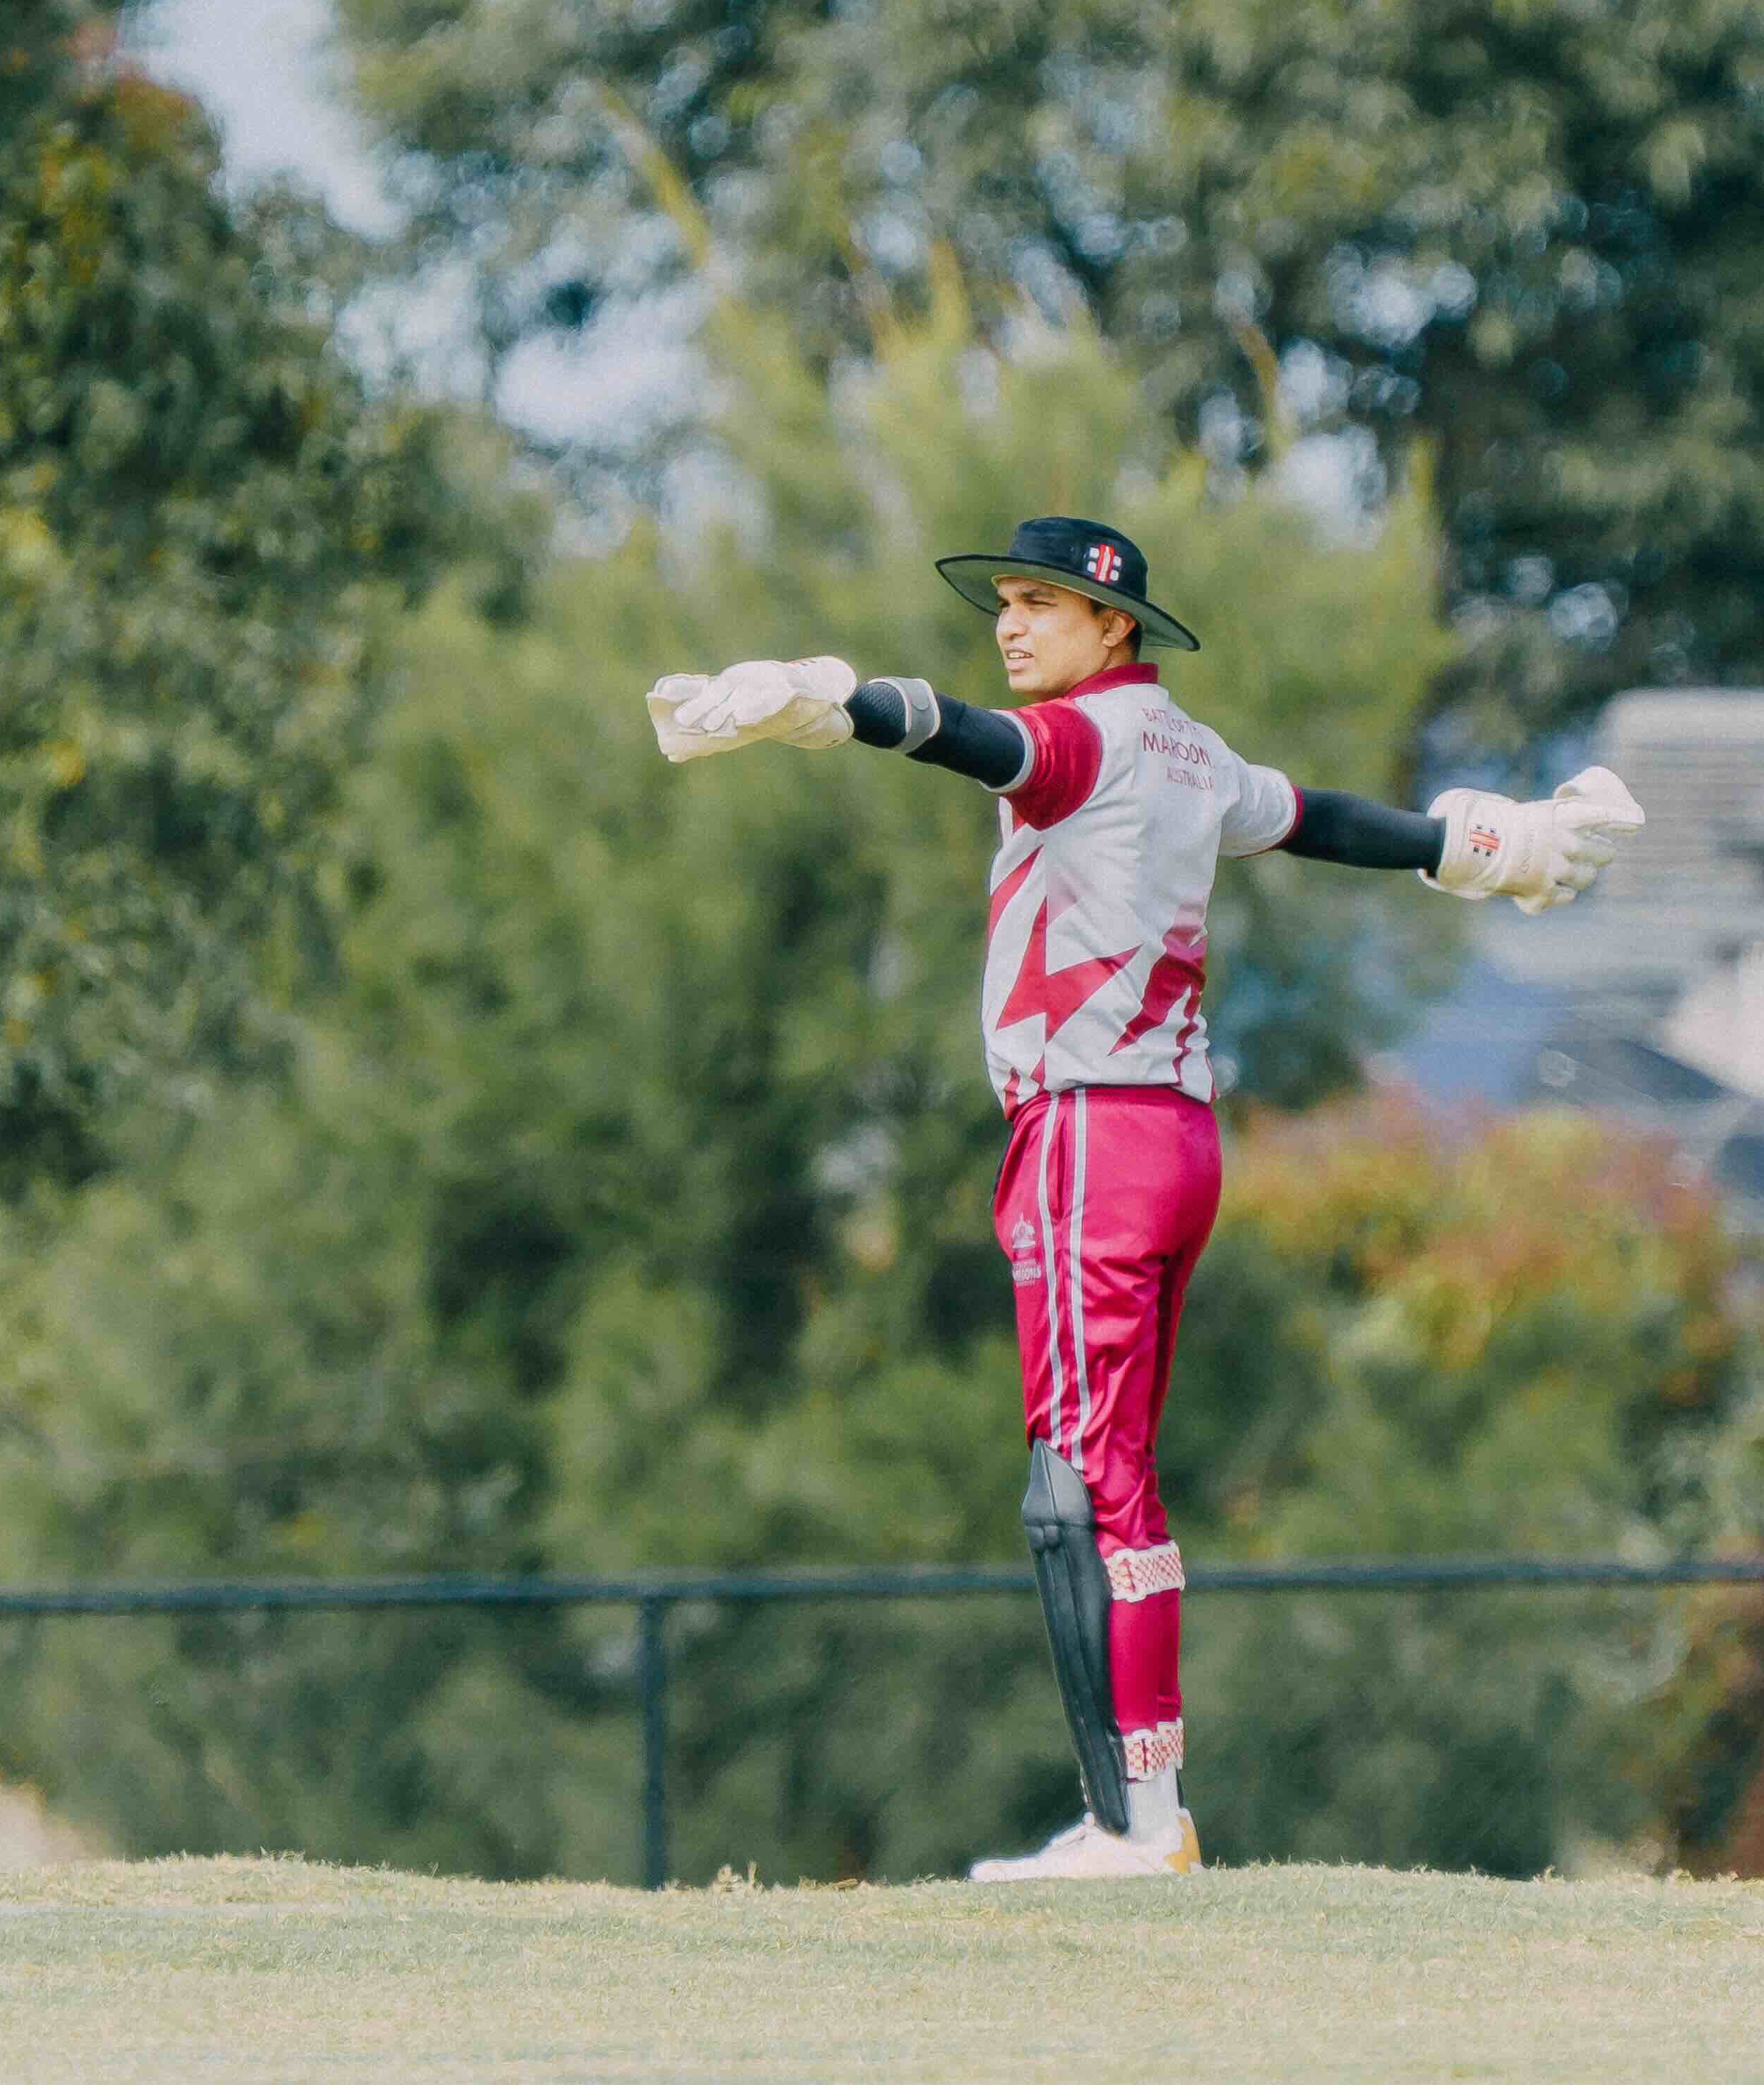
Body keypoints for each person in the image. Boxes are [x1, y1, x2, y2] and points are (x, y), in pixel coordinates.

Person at [650, 516, 1640, 1879]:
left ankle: (1133, 1823)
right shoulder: (1190, 748)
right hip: (1175, 1136)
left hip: (1086, 1133)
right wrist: (1480, 845)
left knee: (1075, 1485)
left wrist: (840, 702)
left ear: (1112, 624)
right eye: (1006, 602)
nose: (1012, 626)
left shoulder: (1085, 739)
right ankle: (1141, 1811)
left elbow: (978, 740)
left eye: (1042, 605)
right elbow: (1317, 818)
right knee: (1114, 1480)